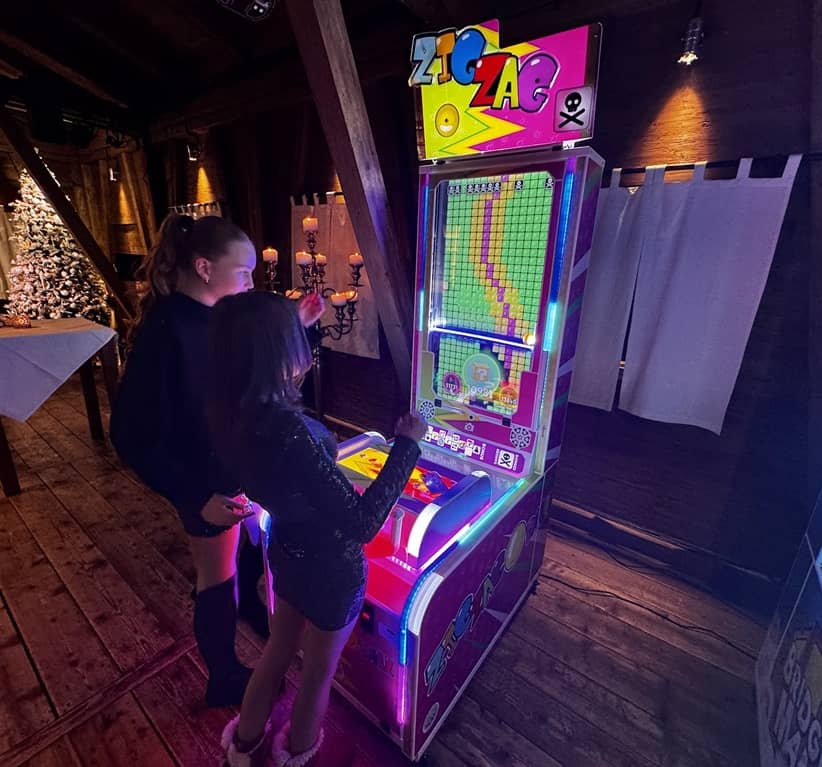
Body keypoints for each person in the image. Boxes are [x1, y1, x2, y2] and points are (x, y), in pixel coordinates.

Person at [109, 214, 323, 707]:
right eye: (243, 272)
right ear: (205, 268)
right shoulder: (167, 330)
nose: (250, 282)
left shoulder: (221, 317)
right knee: (216, 578)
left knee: (243, 558)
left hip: (233, 468)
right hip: (203, 481)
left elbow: (245, 369)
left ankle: (247, 606)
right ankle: (223, 675)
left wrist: (293, 326)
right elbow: (130, 434)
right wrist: (195, 495)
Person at [209, 292, 426, 767]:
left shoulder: (235, 411)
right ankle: (296, 755)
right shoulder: (290, 432)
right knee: (316, 675)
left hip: (288, 549)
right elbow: (362, 523)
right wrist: (407, 446)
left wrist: (296, 325)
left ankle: (243, 748)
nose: (303, 347)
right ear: (275, 353)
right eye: (293, 336)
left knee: (277, 652)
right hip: (332, 567)